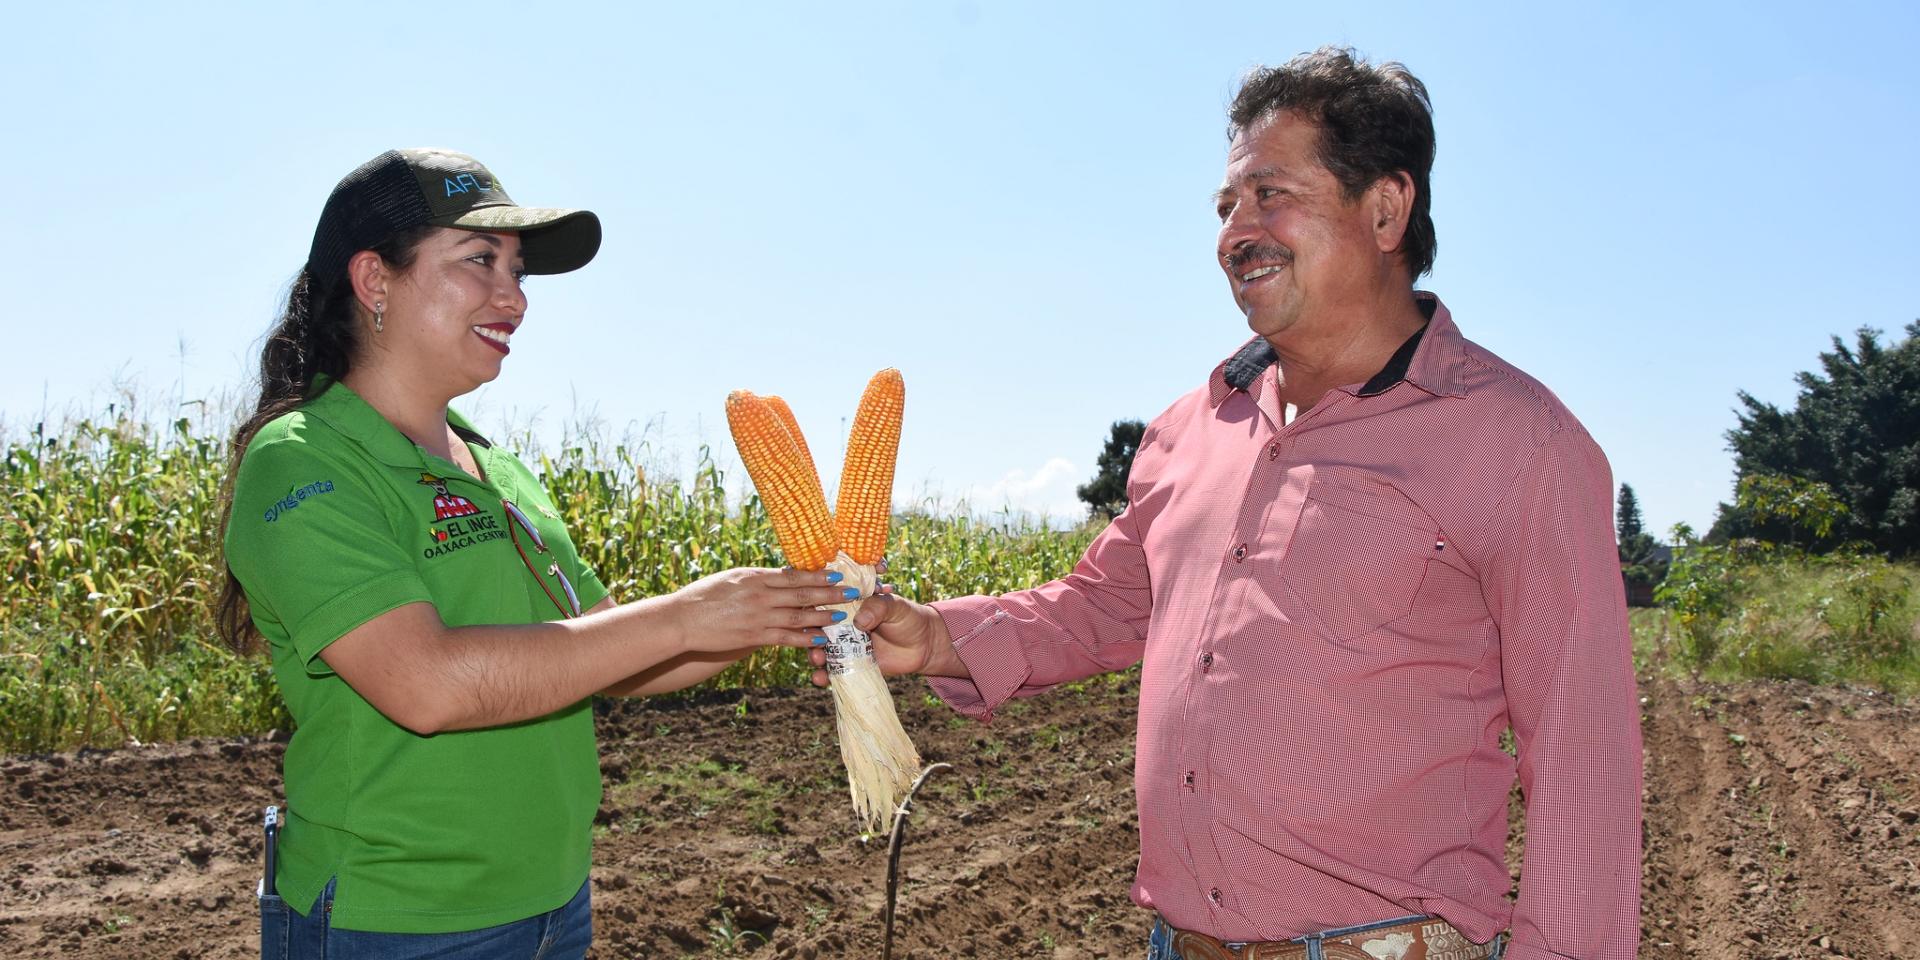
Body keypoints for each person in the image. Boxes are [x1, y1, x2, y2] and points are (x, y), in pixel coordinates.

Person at [823, 48, 1641, 960]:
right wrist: (934, 634)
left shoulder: (1517, 444)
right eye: (1225, 207)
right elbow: (1104, 604)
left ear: (1385, 207)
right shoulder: (1192, 428)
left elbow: (1584, 753)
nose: (1233, 232)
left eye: (1269, 195)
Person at [218, 148, 855, 959]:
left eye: (517, 270)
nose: (513, 296)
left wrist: (775, 613)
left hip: (555, 904)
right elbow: (428, 684)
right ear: (375, 281)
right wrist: (692, 611)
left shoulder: (498, 466)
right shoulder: (305, 460)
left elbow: (612, 652)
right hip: (396, 921)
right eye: (479, 260)